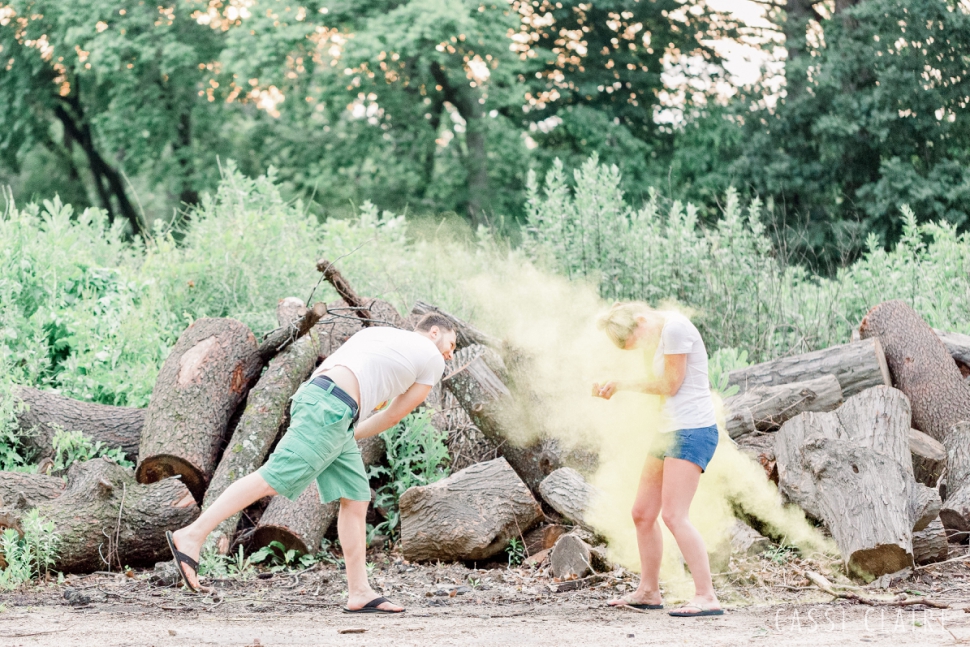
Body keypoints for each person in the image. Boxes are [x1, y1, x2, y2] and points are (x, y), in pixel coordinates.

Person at [166, 313, 457, 614]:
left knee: (355, 498)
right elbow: (393, 415)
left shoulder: (381, 335)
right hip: (333, 409)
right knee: (273, 479)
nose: (450, 353)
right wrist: (348, 431)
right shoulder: (432, 358)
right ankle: (192, 535)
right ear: (434, 332)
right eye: (451, 343)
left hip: (324, 399)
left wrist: (343, 433)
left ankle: (359, 592)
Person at [592, 302, 723, 618]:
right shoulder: (658, 332)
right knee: (642, 512)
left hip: (692, 430)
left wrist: (623, 385)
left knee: (674, 515)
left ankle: (706, 596)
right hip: (668, 432)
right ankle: (649, 591)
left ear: (640, 320)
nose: (638, 347)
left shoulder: (675, 328)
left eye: (634, 340)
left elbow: (670, 385)